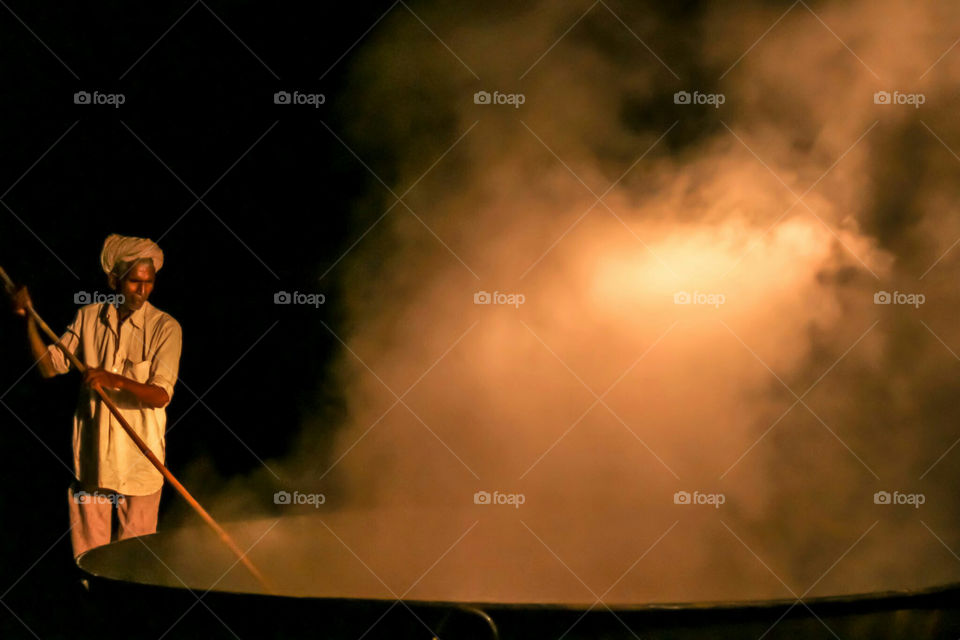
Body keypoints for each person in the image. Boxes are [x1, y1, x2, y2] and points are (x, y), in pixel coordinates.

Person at [11, 234, 182, 557]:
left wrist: (113, 379)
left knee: (137, 557)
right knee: (90, 558)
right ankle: (91, 601)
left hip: (140, 460)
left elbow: (160, 396)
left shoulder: (166, 327)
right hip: (93, 459)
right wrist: (29, 319)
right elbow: (49, 367)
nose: (142, 291)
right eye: (134, 282)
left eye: (149, 282)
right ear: (113, 279)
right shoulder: (89, 316)